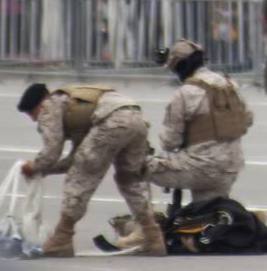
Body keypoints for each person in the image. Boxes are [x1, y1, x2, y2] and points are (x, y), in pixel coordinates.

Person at [18, 81, 164, 257]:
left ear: (39, 104)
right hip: (136, 118)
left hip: (112, 121)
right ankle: (153, 237)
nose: (34, 119)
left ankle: (62, 238)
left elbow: (52, 151)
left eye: (31, 113)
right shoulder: (72, 102)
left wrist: (34, 166)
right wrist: (45, 170)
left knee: (80, 177)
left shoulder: (49, 106)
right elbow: (74, 158)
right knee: (130, 180)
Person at [144, 38, 253, 205]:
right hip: (231, 166)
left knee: (138, 165)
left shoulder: (185, 92)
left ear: (180, 67)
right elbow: (247, 119)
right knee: (207, 211)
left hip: (200, 168)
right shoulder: (229, 84)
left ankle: (144, 224)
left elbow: (169, 142)